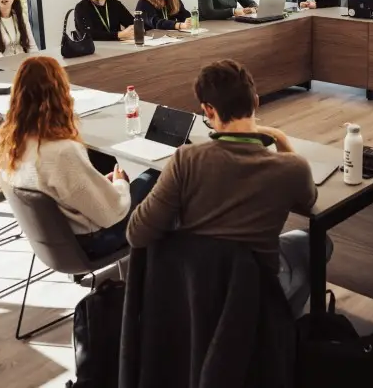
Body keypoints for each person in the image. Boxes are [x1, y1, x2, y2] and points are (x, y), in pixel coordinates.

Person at [127, 59, 329, 314]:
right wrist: (280, 137)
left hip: (196, 290)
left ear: (208, 111)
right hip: (254, 290)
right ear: (256, 101)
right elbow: (309, 200)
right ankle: (280, 327)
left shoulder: (185, 159)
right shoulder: (292, 168)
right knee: (318, 243)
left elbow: (136, 234)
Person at [0, 57, 158, 260]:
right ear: (60, 92)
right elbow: (112, 212)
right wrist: (121, 184)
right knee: (159, 174)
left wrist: (100, 185)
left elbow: (64, 192)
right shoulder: (62, 151)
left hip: (55, 242)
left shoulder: (12, 140)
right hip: (95, 241)